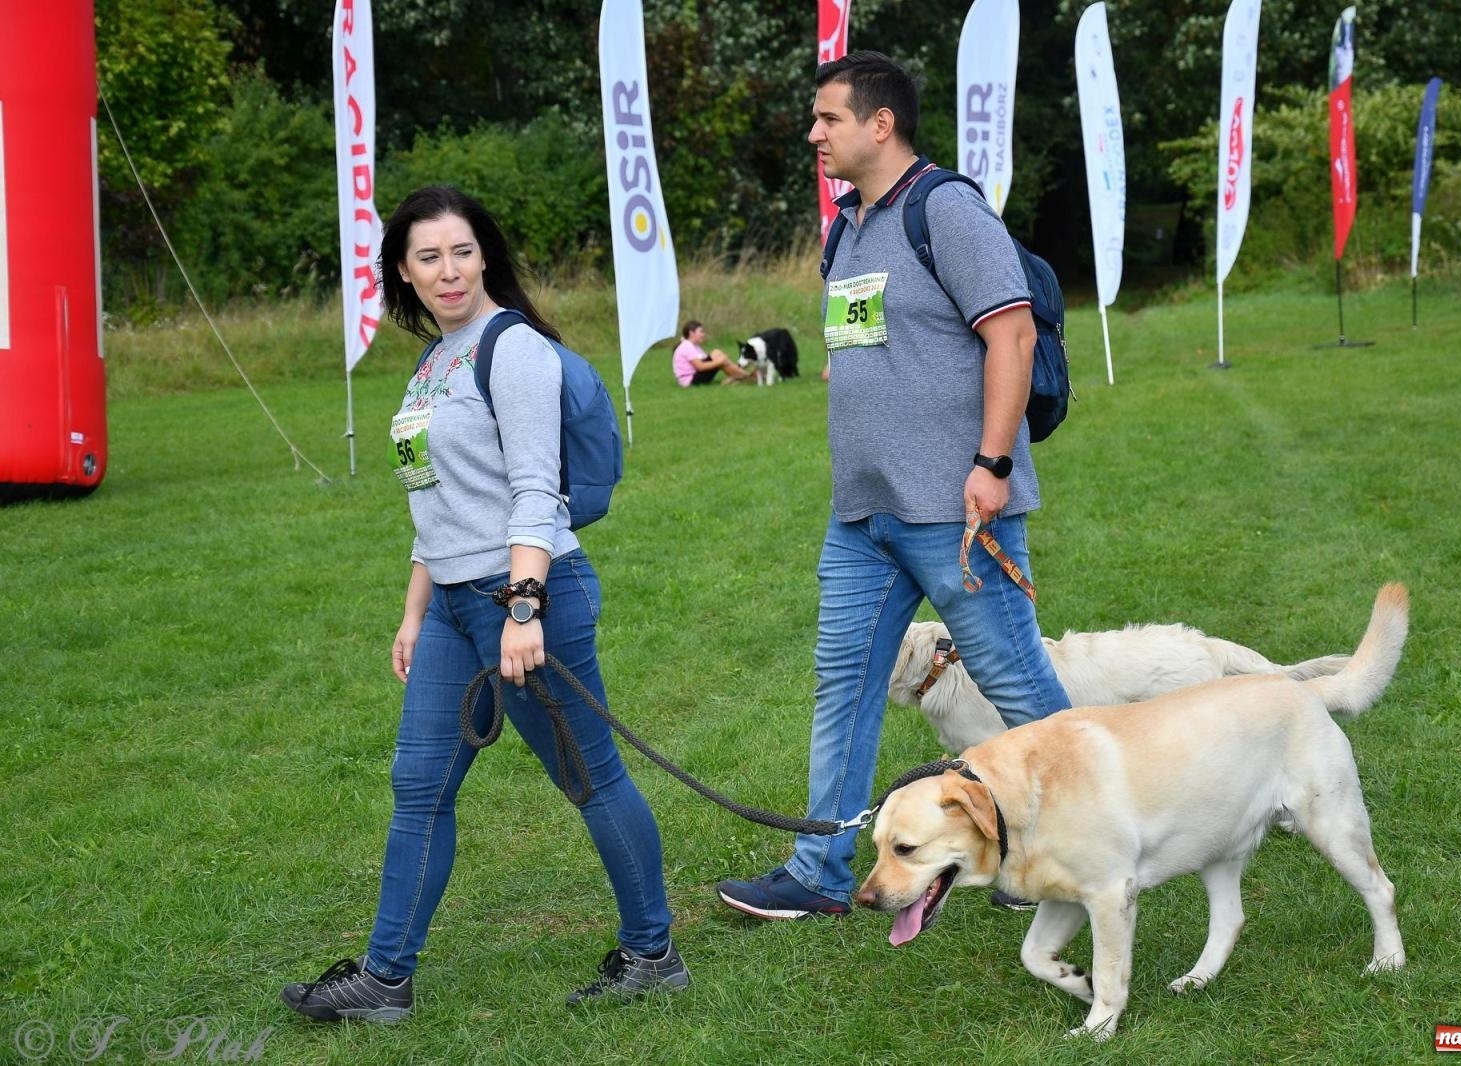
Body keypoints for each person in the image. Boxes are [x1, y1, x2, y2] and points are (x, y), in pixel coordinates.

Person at [281, 185, 688, 1021]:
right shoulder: (436, 360)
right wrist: (413, 609)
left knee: (590, 778)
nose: (448, 270)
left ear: (486, 254)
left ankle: (654, 953)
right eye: (427, 257)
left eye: (461, 251)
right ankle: (385, 979)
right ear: (403, 270)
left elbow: (538, 490)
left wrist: (525, 607)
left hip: (528, 596)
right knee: (418, 786)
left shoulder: (516, 349)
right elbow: (439, 504)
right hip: (453, 609)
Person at [715, 52, 1072, 920]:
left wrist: (991, 467)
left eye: (828, 118)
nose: (815, 134)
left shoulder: (945, 210)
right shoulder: (848, 226)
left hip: (954, 512)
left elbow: (1012, 338)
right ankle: (819, 872)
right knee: (843, 682)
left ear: (881, 125)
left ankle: (1073, 850)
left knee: (1021, 690)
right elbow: (873, 335)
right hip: (863, 517)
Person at [672, 320, 751, 385]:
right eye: (701, 332)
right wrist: (719, 362)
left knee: (717, 354)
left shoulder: (693, 346)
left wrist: (720, 360)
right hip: (690, 381)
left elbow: (705, 359)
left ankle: (741, 376)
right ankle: (746, 377)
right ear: (691, 333)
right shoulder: (687, 346)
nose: (703, 334)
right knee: (718, 356)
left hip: (694, 377)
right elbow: (700, 366)